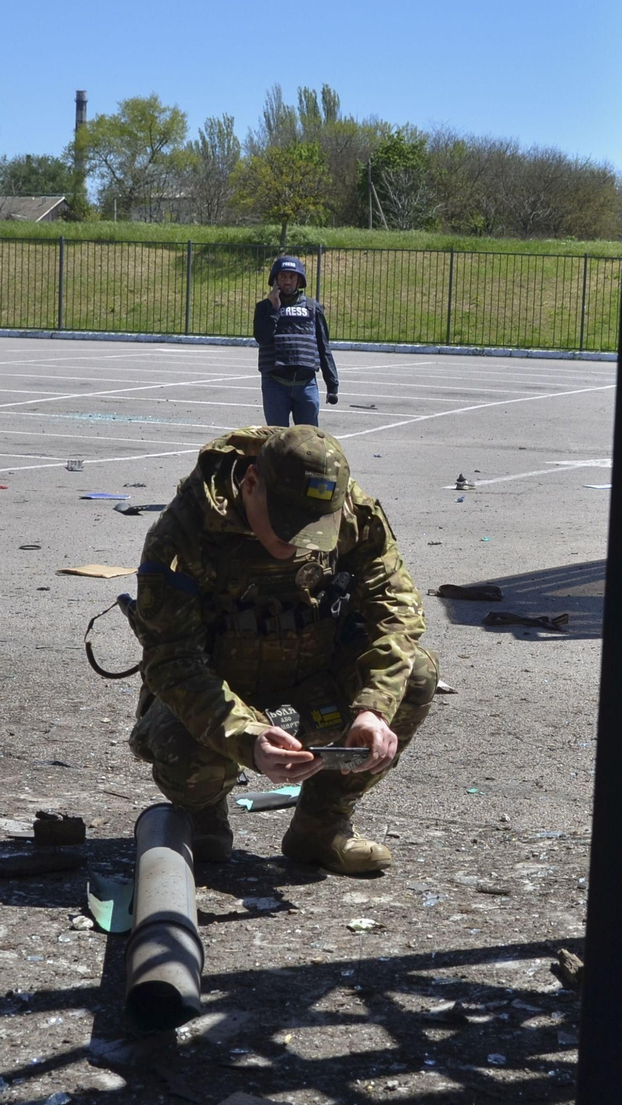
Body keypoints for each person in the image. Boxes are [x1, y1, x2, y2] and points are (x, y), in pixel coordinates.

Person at [126, 425, 436, 874]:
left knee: (416, 675)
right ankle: (202, 815)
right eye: (287, 528)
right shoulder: (184, 533)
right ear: (251, 483)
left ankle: (321, 826)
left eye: (314, 532)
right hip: (221, 696)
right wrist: (248, 739)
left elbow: (398, 612)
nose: (297, 547)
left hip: (313, 685)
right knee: (183, 747)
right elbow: (173, 663)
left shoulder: (351, 511)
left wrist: (373, 708)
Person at [253, 256, 339, 427]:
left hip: (306, 384)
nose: (287, 281)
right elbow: (262, 338)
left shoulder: (312, 308)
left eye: (292, 277)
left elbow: (323, 347)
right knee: (278, 437)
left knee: (307, 438)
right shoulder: (264, 308)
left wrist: (332, 385)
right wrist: (274, 309)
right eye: (283, 276)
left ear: (299, 281)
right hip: (275, 384)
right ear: (275, 280)